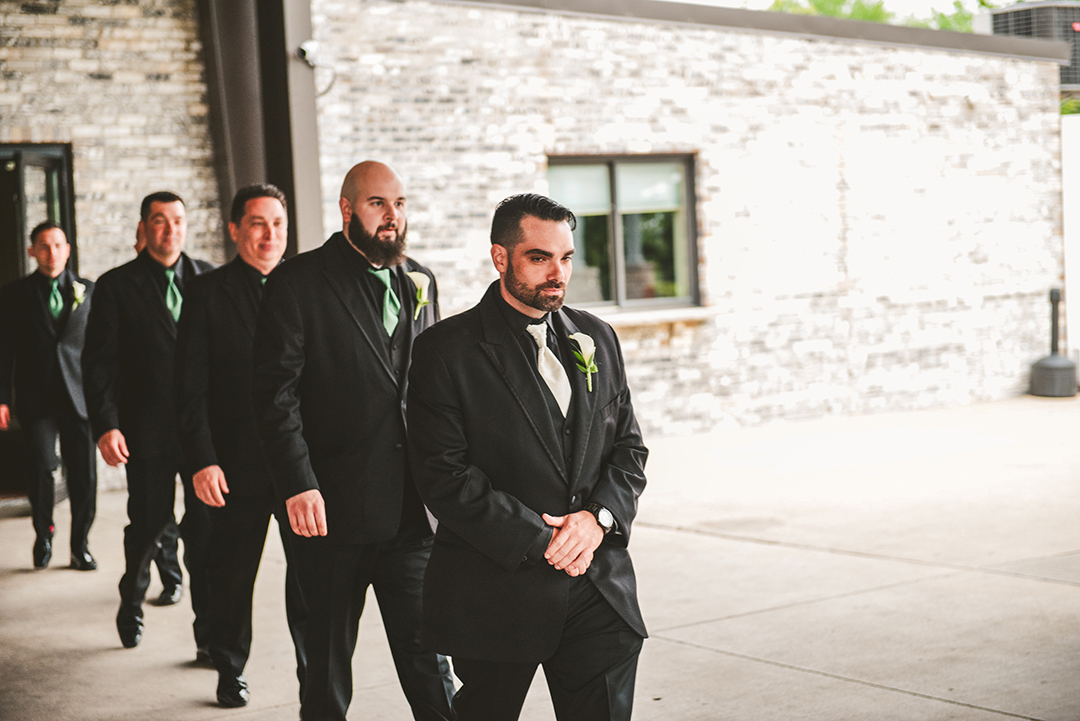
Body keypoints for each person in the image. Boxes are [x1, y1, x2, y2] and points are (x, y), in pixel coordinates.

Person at [407, 193, 649, 721]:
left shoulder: (598, 337)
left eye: (565, 257)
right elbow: (443, 477)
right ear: (501, 258)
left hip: (597, 586)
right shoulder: (445, 350)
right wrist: (548, 543)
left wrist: (596, 520)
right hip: (497, 592)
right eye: (539, 258)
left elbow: (629, 447)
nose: (557, 273)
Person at [252, 161, 454, 721]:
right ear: (347, 210)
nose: (393, 217)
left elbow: (432, 389)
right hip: (329, 514)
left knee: (431, 659)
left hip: (412, 512)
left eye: (400, 203)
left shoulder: (422, 280)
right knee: (326, 664)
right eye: (377, 204)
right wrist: (297, 484)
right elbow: (275, 397)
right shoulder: (297, 283)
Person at [175, 183, 307, 708]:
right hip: (234, 466)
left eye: (278, 223)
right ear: (235, 231)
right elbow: (189, 390)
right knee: (231, 577)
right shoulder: (208, 293)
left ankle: (312, 672)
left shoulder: (306, 288)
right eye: (257, 223)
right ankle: (229, 668)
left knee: (309, 582)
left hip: (298, 468)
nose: (269, 234)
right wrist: (202, 460)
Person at [82, 191, 215, 653]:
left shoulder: (209, 279)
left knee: (205, 537)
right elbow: (99, 364)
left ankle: (210, 635)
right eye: (159, 220)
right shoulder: (116, 285)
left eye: (177, 220)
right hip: (146, 432)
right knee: (147, 526)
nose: (170, 229)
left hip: (205, 439)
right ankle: (132, 604)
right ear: (144, 227)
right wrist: (106, 424)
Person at [0, 221, 97, 571]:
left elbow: (99, 350)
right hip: (36, 399)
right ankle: (44, 534)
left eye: (57, 245)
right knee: (41, 468)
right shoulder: (14, 295)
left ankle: (80, 545)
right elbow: (4, 351)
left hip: (80, 398)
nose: (51, 252)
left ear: (68, 249)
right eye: (43, 245)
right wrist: (2, 398)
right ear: (32, 251)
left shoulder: (89, 290)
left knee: (84, 474)